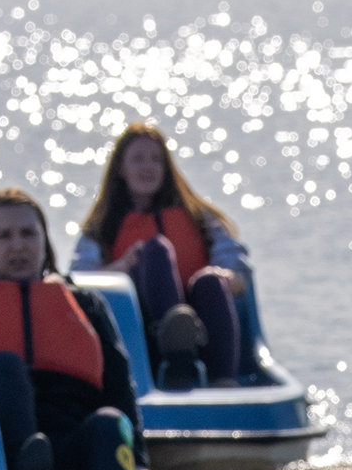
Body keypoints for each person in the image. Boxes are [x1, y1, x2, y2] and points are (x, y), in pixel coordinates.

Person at [0, 187, 148, 470]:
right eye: (4, 236)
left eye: (28, 234)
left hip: (71, 447)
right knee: (4, 365)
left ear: (45, 242)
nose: (18, 246)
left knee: (110, 422)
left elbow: (120, 390)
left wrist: (140, 463)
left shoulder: (86, 304)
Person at [72, 123, 249, 386]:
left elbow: (235, 265)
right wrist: (122, 267)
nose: (148, 167)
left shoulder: (200, 218)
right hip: (143, 336)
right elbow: (77, 282)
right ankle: (175, 348)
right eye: (138, 159)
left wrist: (226, 275)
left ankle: (222, 381)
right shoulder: (102, 228)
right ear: (121, 168)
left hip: (203, 327)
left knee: (210, 281)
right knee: (156, 250)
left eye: (156, 160)